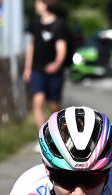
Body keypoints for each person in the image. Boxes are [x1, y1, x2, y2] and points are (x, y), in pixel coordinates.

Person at [23, 0, 69, 130]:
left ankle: (59, 135)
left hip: (54, 72)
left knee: (54, 106)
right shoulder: (35, 23)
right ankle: (43, 138)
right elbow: (31, 46)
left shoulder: (58, 24)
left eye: (37, 3)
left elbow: (61, 48)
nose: (35, 6)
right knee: (38, 101)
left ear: (45, 4)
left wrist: (56, 64)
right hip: (37, 69)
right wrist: (27, 69)